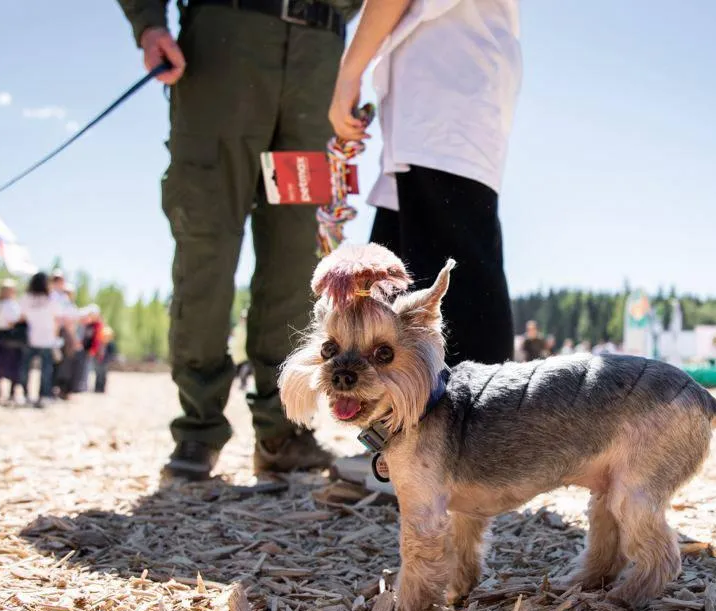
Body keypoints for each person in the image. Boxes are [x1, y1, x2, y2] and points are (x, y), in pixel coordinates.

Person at [117, 0, 361, 482]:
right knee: (206, 250)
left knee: (298, 261)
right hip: (223, 50)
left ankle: (281, 431)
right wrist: (148, 25)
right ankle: (199, 427)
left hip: (318, 68)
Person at [329, 0, 522, 371]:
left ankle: (487, 424)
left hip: (444, 98)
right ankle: (411, 423)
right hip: (439, 105)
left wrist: (349, 73)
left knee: (454, 287)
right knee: (393, 288)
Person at [21, 272, 63, 408]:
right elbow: (57, 319)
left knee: (25, 369)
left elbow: (22, 316)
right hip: (47, 339)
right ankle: (43, 396)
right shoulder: (51, 298)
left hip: (30, 338)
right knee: (45, 370)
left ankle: (26, 395)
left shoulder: (27, 298)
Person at [94, 326, 117, 394]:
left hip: (105, 361)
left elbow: (112, 354)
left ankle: (102, 388)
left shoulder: (111, 344)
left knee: (103, 375)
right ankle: (97, 388)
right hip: (98, 360)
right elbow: (96, 351)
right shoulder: (99, 343)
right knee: (98, 374)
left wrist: (109, 360)